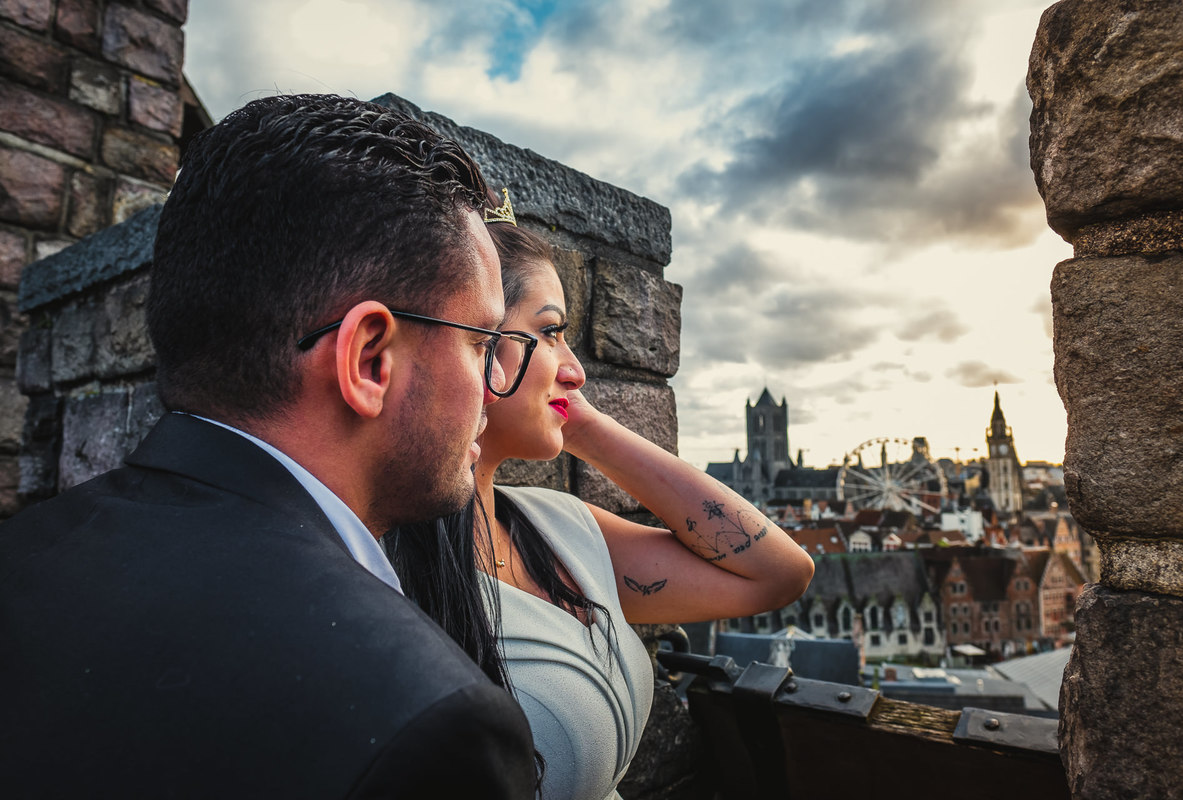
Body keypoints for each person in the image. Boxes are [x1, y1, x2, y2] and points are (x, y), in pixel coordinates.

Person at [0, 95, 537, 798]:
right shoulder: (428, 719)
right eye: (481, 343)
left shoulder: (24, 551)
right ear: (370, 360)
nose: (495, 389)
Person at [388, 191, 816, 800]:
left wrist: (584, 425)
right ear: (475, 340)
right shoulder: (384, 567)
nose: (575, 368)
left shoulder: (560, 526)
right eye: (551, 333)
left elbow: (778, 574)